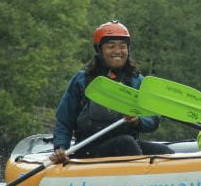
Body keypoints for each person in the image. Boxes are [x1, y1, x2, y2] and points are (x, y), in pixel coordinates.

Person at [49, 21, 172, 163]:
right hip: (88, 150)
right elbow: (64, 120)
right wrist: (60, 148)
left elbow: (153, 119)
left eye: (122, 46)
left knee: (165, 153)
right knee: (125, 143)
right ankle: (138, 182)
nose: (117, 51)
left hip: (125, 146)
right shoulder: (82, 80)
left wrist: (139, 121)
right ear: (100, 50)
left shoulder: (136, 80)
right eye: (111, 46)